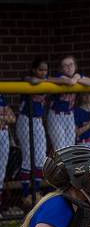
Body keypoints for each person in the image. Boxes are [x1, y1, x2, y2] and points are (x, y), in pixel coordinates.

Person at [47, 56, 90, 152]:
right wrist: (77, 77)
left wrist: (78, 77)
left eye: (71, 64)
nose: (69, 67)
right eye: (65, 66)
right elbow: (70, 82)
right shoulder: (60, 77)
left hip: (69, 115)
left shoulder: (77, 77)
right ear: (61, 69)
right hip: (56, 116)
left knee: (70, 148)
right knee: (60, 149)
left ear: (75, 66)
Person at [18, 58, 51, 208]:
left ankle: (35, 193)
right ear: (34, 70)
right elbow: (32, 81)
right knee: (28, 157)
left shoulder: (47, 81)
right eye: (40, 70)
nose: (43, 73)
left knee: (40, 158)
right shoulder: (28, 79)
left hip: (38, 121)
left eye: (45, 70)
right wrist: (46, 80)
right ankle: (26, 194)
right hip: (25, 120)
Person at [0, 95, 17, 209]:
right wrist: (4, 117)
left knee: (1, 171)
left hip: (3, 133)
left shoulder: (1, 97)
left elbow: (12, 118)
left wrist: (3, 118)